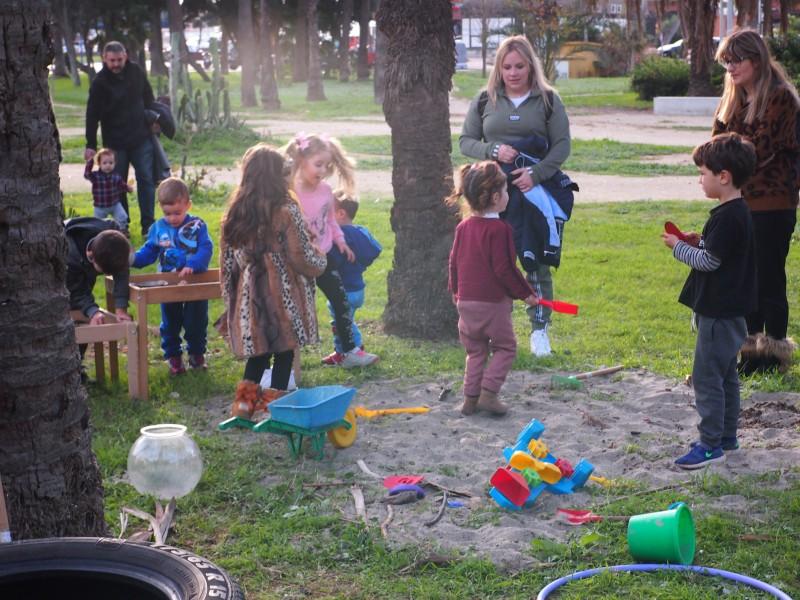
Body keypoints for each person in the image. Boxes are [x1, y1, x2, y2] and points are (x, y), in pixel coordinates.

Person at [460, 35, 572, 358]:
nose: (513, 72)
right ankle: (496, 330)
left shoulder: (549, 100)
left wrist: (535, 175)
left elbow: (562, 145)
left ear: (530, 66)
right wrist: (492, 150)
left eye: (519, 66)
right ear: (499, 68)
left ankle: (540, 331)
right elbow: (466, 141)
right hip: (491, 193)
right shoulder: (485, 99)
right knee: (494, 261)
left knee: (534, 260)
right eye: (506, 66)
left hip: (533, 192)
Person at [662, 133, 757, 469]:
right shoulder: (736, 212)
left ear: (723, 176)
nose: (699, 180)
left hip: (718, 314)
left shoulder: (728, 216)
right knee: (726, 376)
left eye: (702, 173)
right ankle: (726, 438)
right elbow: (719, 250)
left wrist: (678, 247)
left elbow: (709, 262)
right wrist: (698, 240)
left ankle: (709, 445)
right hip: (730, 312)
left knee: (706, 378)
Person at [711, 29, 800, 374]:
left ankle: (773, 354)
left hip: (773, 204)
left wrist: (728, 152)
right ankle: (750, 353)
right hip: (738, 203)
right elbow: (716, 149)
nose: (730, 68)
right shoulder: (732, 100)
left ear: (757, 60)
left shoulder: (781, 99)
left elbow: (753, 152)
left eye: (736, 61)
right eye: (726, 62)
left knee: (769, 279)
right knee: (744, 279)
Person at [216, 144, 326, 415]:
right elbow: (300, 254)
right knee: (285, 350)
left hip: (249, 298)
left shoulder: (235, 213)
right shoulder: (287, 210)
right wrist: (320, 262)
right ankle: (275, 405)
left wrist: (230, 298)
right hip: (282, 295)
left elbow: (227, 264)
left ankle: (243, 405)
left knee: (259, 353)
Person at [448, 161, 538, 416]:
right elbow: (505, 269)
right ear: (497, 197)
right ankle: (488, 394)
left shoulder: (463, 227)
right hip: (492, 304)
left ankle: (469, 400)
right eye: (507, 191)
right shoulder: (500, 230)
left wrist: (456, 293)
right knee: (505, 347)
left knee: (475, 351)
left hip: (465, 302)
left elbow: (453, 262)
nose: (508, 196)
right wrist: (527, 294)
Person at [284, 132, 379, 368]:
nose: (323, 170)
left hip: (324, 255)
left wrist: (341, 241)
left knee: (341, 299)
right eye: (318, 164)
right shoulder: (290, 190)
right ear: (300, 160)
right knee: (293, 304)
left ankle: (349, 351)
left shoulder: (326, 191)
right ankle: (285, 357)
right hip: (296, 258)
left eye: (327, 166)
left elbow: (330, 221)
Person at [132, 177, 213, 375]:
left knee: (196, 321)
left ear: (188, 205)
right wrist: (133, 259)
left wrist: (194, 265)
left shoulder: (197, 226)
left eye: (177, 213)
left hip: (194, 283)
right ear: (160, 208)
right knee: (170, 322)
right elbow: (149, 251)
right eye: (167, 213)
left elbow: (206, 248)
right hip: (167, 285)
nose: (172, 218)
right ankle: (174, 357)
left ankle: (196, 354)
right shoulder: (158, 228)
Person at [85, 41, 157, 236]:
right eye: (112, 60)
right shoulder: (99, 82)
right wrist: (90, 144)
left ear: (125, 55)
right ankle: (121, 227)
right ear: (104, 59)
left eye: (119, 59)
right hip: (115, 142)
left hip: (140, 137)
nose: (116, 64)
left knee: (146, 180)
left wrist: (155, 118)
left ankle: (148, 226)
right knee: (118, 183)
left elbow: (149, 97)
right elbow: (92, 114)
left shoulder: (136, 72)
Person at [66, 217, 133, 380]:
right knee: (76, 316)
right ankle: (71, 368)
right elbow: (77, 292)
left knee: (87, 318)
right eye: (102, 271)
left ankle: (77, 366)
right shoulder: (70, 253)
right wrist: (92, 311)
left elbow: (122, 274)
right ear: (91, 255)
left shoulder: (116, 239)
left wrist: (121, 307)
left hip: (84, 267)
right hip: (63, 276)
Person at [321, 190, 382, 365]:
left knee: (344, 323)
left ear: (340, 214)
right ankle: (340, 352)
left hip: (343, 289)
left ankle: (356, 350)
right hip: (358, 289)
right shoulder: (361, 232)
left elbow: (332, 262)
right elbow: (375, 249)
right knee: (344, 320)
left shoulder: (340, 237)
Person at [84, 148, 133, 234]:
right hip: (100, 207)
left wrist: (128, 188)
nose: (108, 165)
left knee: (122, 217)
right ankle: (101, 235)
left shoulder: (116, 176)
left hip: (114, 204)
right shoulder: (95, 176)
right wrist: (90, 161)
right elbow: (87, 174)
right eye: (105, 163)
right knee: (98, 223)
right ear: (99, 164)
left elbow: (122, 185)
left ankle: (123, 231)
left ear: (115, 164)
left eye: (111, 163)